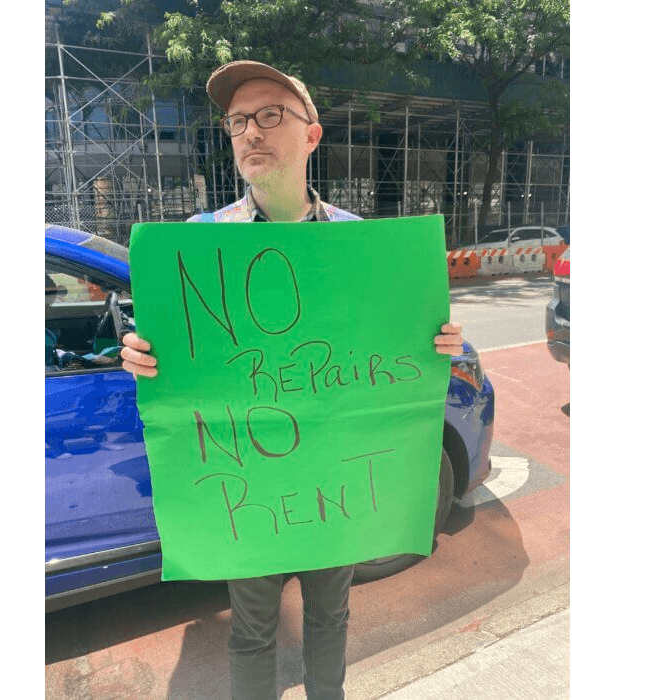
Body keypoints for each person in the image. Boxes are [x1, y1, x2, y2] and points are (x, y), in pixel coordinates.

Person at [120, 60, 465, 700]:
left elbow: (398, 355)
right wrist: (141, 354)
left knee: (331, 617)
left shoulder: (363, 244)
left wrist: (438, 342)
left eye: (270, 115)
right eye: (237, 121)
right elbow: (168, 355)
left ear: (311, 135)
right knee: (251, 632)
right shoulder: (199, 243)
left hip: (333, 484)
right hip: (249, 491)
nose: (251, 131)